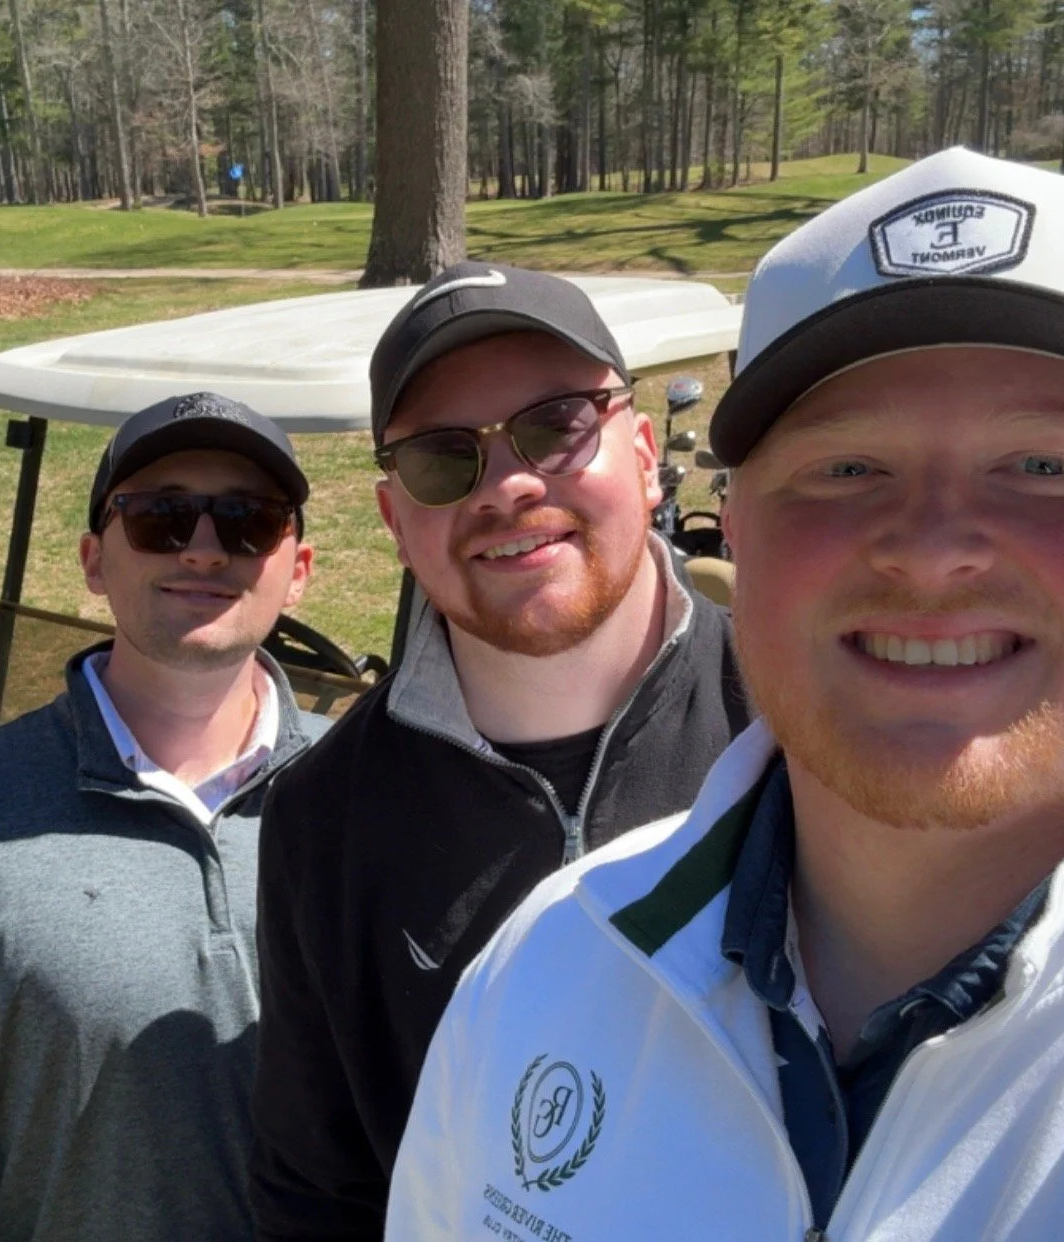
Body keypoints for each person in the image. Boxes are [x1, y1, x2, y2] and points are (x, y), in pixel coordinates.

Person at [386, 149, 1064, 1241]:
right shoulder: (552, 961)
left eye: (1045, 466)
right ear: (741, 538)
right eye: (846, 468)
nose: (929, 553)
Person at [250, 261, 754, 1239]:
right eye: (444, 459)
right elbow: (317, 1192)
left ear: (643, 451)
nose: (509, 485)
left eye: (558, 424)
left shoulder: (799, 729)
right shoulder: (322, 820)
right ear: (397, 521)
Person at [0, 392, 327, 1242]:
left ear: (299, 566)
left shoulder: (380, 794)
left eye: (249, 520)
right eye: (162, 517)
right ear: (94, 560)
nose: (205, 548)